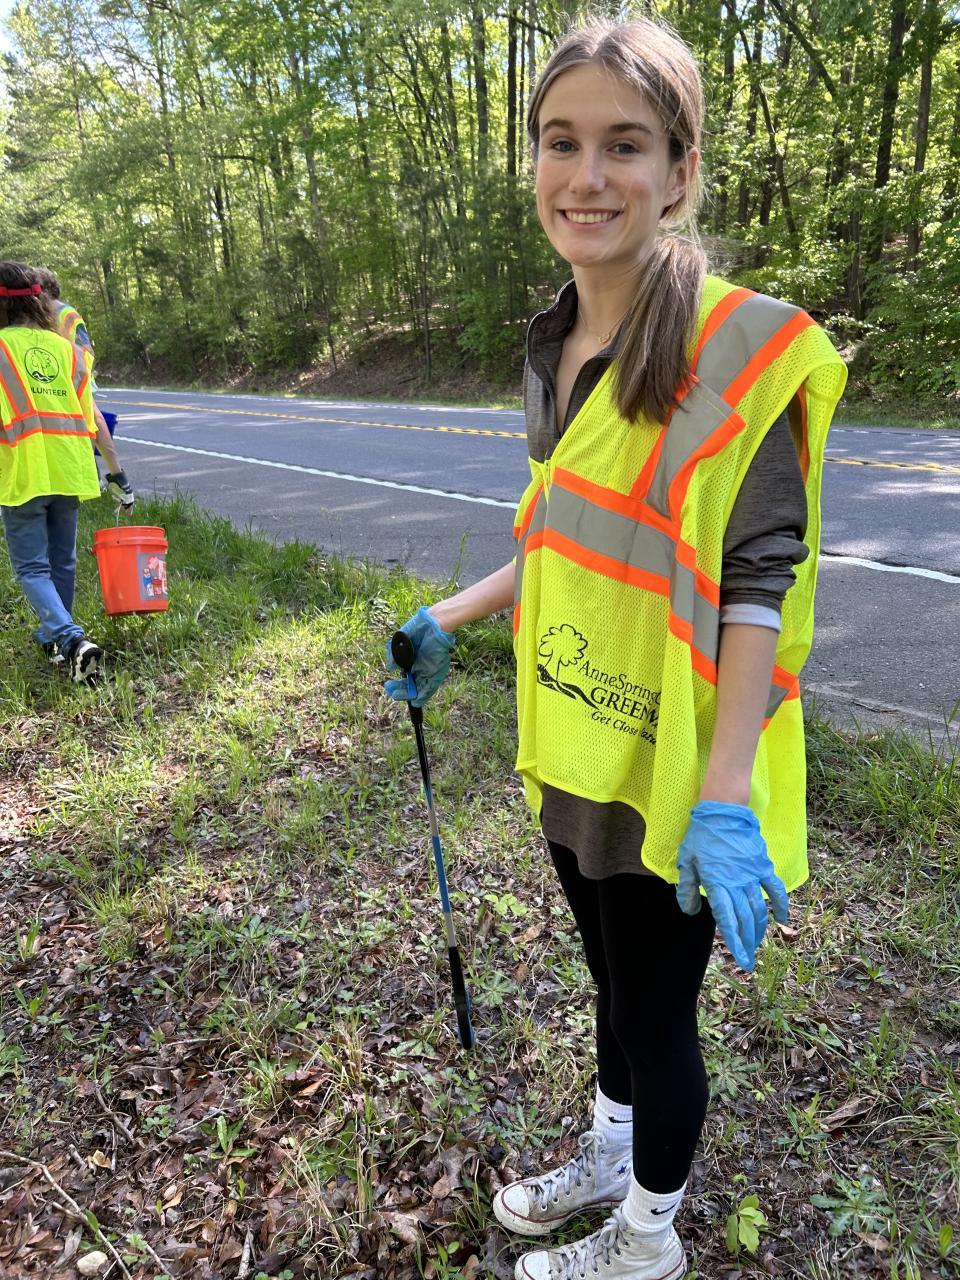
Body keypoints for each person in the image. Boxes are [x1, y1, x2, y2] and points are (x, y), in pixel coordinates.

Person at [386, 15, 846, 1279]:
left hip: (681, 767)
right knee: (610, 984)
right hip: (576, 735)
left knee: (654, 1010)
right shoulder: (558, 344)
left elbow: (756, 588)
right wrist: (448, 616)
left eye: (625, 144)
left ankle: (647, 1239)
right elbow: (563, 536)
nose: (586, 175)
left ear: (680, 171)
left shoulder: (738, 353)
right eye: (560, 140)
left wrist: (725, 798)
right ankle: (609, 1150)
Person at [0, 261, 135, 681]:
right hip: (70, 468)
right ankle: (56, 641)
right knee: (63, 561)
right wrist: (116, 474)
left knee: (32, 569)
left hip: (24, 470)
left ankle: (71, 639)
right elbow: (91, 417)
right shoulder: (68, 351)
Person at [34, 267, 133, 507]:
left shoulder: (65, 313)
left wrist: (73, 373)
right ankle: (94, 476)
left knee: (92, 420)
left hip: (71, 376)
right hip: (52, 377)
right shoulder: (39, 313)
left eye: (35, 289)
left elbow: (86, 349)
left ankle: (114, 477)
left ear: (44, 289)